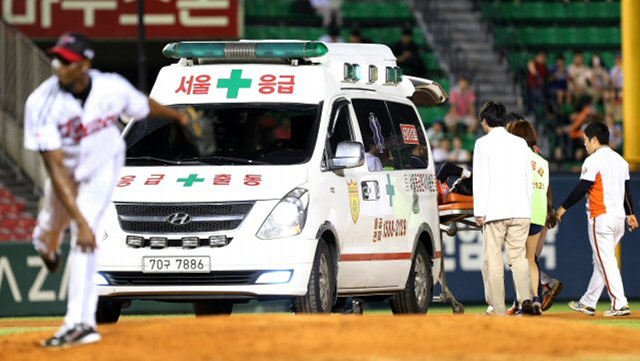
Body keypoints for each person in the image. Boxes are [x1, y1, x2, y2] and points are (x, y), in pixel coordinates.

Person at [23, 32, 189, 348]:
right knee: (50, 229)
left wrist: (178, 115)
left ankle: (79, 325)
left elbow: (142, 104)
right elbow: (55, 169)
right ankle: (45, 245)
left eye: (68, 61)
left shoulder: (111, 87)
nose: (60, 66)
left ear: (85, 63)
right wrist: (79, 223)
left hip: (101, 168)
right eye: (58, 59)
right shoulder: (42, 103)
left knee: (87, 242)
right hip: (64, 175)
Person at [556, 121, 638, 317]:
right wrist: (630, 214)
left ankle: (619, 304)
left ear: (594, 139)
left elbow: (582, 187)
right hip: (618, 219)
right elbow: (626, 193)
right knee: (601, 261)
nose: (585, 144)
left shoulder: (593, 160)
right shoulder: (621, 161)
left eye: (585, 140)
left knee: (606, 261)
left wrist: (563, 206)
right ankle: (588, 302)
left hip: (601, 217)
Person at [473, 101, 533, 316]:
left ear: (486, 121)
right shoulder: (520, 144)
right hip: (521, 209)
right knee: (519, 258)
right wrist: (528, 207)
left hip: (495, 210)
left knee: (495, 259)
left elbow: (481, 179)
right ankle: (525, 298)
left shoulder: (483, 144)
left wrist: (479, 211)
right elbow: (529, 178)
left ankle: (498, 309)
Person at [505, 120, 551, 316]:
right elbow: (545, 189)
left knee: (517, 260)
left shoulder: (515, 158)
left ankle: (521, 300)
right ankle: (536, 300)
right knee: (530, 259)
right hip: (538, 213)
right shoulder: (542, 161)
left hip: (520, 212)